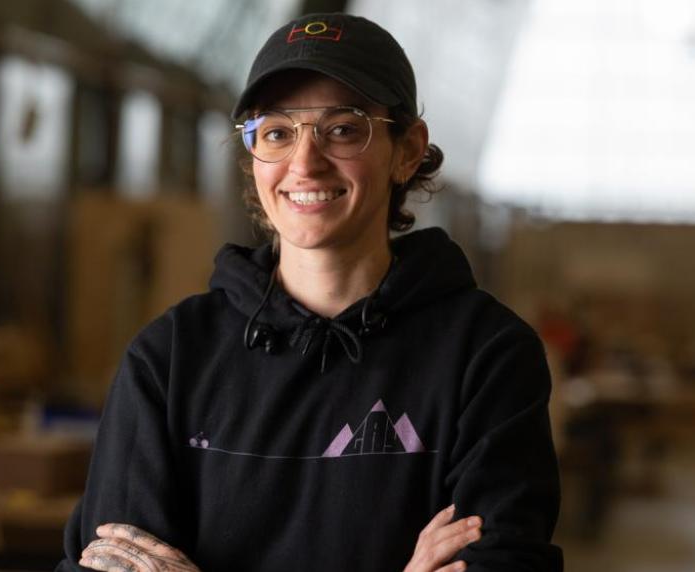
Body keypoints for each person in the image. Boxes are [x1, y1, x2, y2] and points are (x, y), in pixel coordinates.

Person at [58, 12, 562, 572]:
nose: (304, 162)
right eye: (276, 133)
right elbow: (109, 561)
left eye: (342, 129)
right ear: (253, 159)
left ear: (407, 150)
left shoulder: (485, 357)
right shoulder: (172, 359)